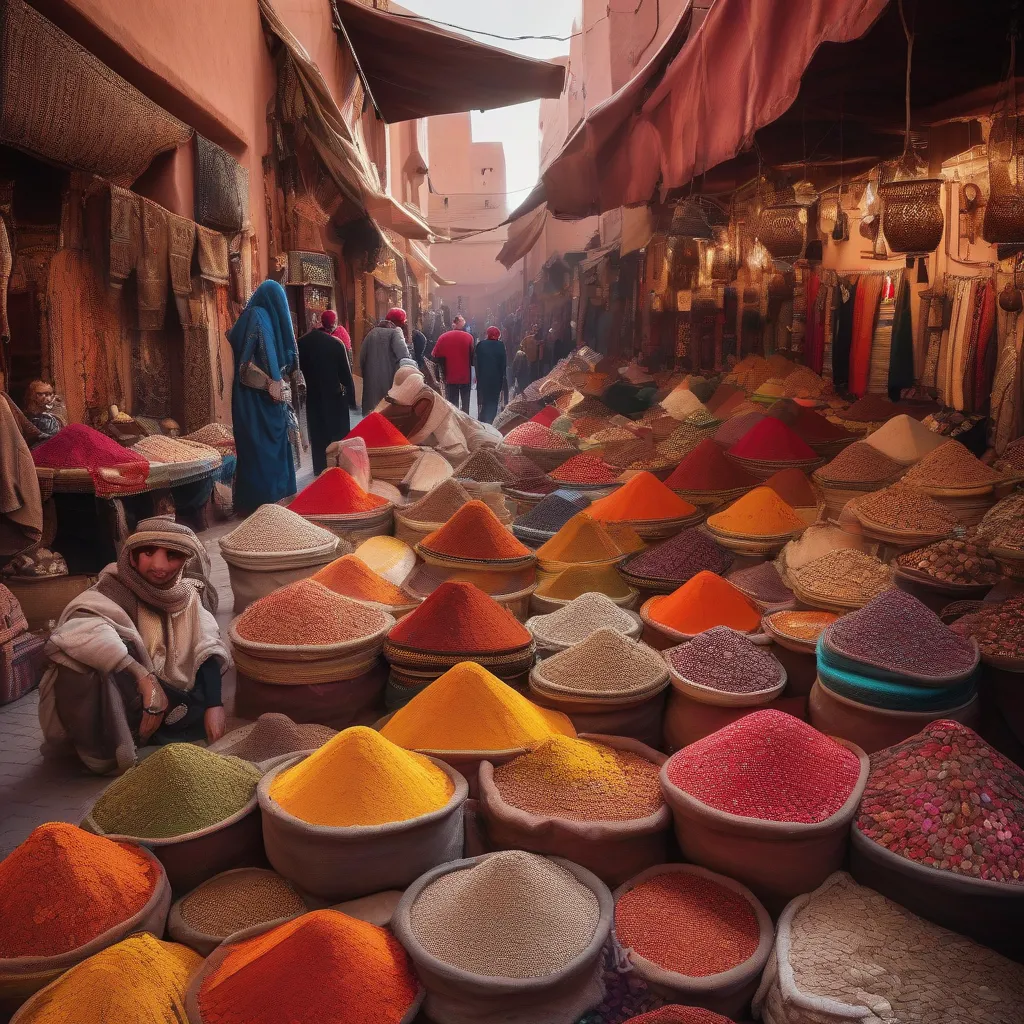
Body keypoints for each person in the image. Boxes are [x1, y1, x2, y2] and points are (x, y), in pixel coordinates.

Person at [38, 520, 230, 775]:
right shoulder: (111, 589)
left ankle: (167, 726)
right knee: (86, 663)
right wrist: (143, 676)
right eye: (149, 553)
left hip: (172, 691)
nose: (159, 566)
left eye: (171, 555)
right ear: (132, 557)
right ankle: (113, 745)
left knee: (216, 679)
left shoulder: (186, 595)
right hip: (129, 696)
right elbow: (78, 632)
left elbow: (207, 647)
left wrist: (215, 705)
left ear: (183, 561)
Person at [227, 280, 298, 515]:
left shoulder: (260, 317)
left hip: (261, 400)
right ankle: (261, 504)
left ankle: (267, 504)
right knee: (260, 450)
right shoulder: (257, 317)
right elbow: (244, 367)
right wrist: (270, 384)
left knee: (265, 448)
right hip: (255, 400)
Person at [297, 315, 358, 475]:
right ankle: (338, 471)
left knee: (317, 435)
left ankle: (320, 470)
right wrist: (351, 400)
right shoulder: (336, 344)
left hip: (312, 398)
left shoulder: (301, 343)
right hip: (334, 398)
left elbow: (295, 372)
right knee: (338, 436)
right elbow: (346, 377)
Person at [359, 308, 412, 414]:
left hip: (371, 386)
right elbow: (404, 357)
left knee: (372, 419)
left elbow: (361, 358)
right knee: (387, 418)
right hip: (390, 385)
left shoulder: (372, 332)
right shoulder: (396, 332)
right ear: (400, 322)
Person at [432, 314, 475, 413]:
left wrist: (438, 375)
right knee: (465, 406)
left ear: (453, 324)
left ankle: (455, 424)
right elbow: (473, 358)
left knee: (452, 406)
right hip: (465, 376)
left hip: (450, 376)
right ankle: (465, 423)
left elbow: (435, 357)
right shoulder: (469, 337)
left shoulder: (443, 337)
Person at [474, 326, 508, 424]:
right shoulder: (501, 345)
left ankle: (482, 419)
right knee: (493, 400)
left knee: (484, 399)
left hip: (483, 378)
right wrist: (503, 378)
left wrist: (478, 376)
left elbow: (476, 362)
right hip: (496, 378)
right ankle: (490, 421)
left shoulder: (480, 345)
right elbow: (503, 364)